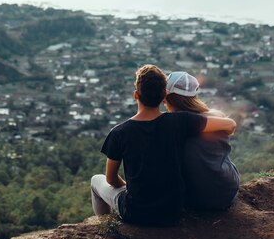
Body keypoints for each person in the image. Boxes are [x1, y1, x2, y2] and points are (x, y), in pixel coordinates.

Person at [91, 64, 236, 226]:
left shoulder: (119, 132)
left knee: (96, 180)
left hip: (136, 211)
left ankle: (105, 229)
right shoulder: (180, 122)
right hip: (173, 210)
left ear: (136, 95)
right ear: (164, 95)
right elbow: (227, 124)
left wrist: (128, 189)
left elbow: (111, 179)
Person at [164, 71, 240, 210]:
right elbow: (231, 127)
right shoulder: (216, 116)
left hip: (193, 199)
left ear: (165, 97)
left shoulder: (167, 125)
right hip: (226, 191)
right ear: (194, 95)